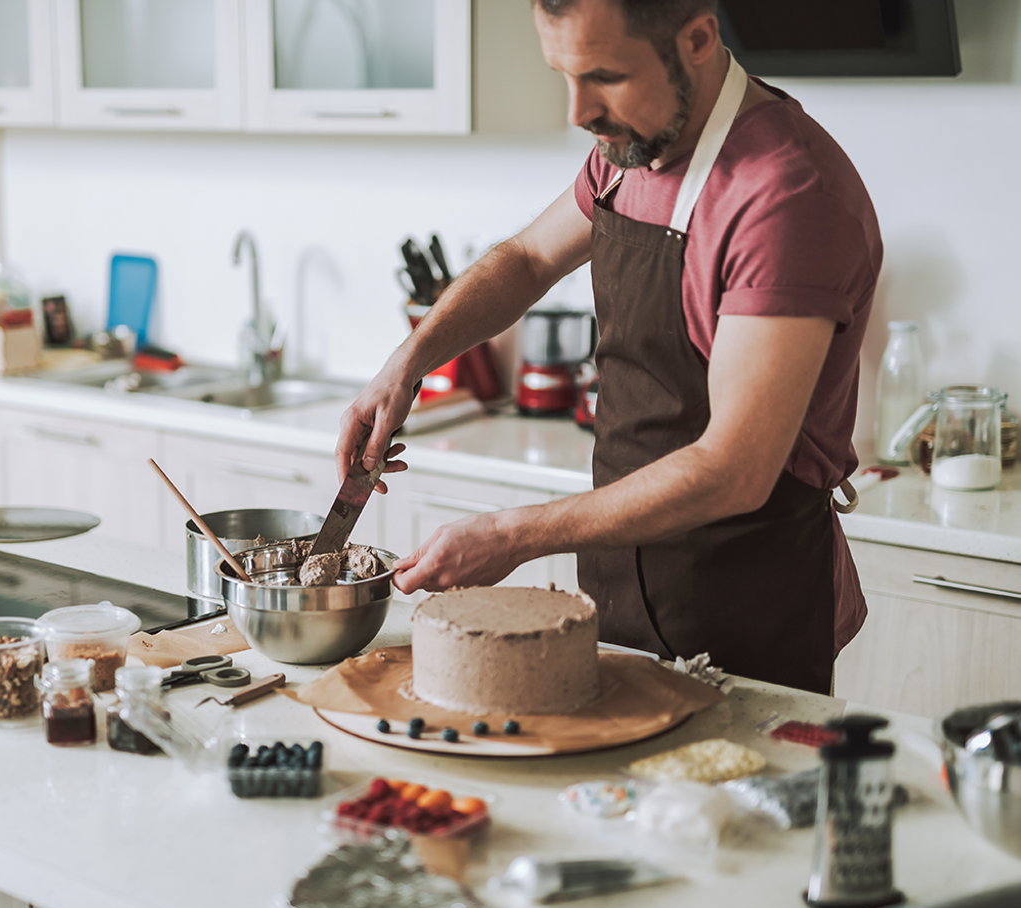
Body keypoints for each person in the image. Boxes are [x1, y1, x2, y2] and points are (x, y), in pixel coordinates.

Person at [334, 0, 882, 695]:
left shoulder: (784, 195)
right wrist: (405, 364)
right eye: (562, 73)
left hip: (744, 604)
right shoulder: (628, 154)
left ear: (697, 38)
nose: (576, 110)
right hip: (618, 579)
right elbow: (529, 257)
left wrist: (510, 535)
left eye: (604, 76)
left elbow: (733, 469)